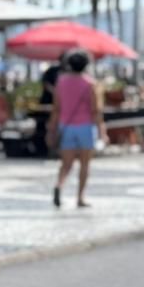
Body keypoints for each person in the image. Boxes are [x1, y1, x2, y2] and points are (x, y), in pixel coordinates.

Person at [47, 50, 106, 208]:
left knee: (66, 163)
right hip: (85, 127)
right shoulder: (90, 83)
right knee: (85, 164)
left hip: (66, 127)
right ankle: (80, 197)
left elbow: (56, 109)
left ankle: (59, 185)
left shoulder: (61, 82)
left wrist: (51, 129)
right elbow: (96, 110)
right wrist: (102, 131)